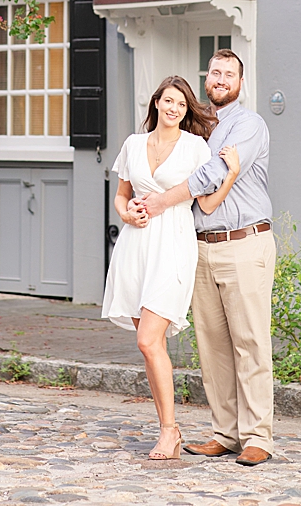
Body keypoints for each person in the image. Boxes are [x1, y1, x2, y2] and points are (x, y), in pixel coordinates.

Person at [134, 49, 276, 466]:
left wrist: (160, 202)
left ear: (240, 82)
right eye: (215, 72)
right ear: (206, 78)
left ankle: (258, 437)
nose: (220, 79)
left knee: (250, 342)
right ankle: (226, 433)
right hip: (198, 245)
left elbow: (210, 175)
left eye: (229, 74)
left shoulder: (247, 124)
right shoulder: (196, 130)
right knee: (212, 346)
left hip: (243, 243)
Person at [102, 75, 243, 461]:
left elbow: (209, 204)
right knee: (151, 348)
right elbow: (121, 196)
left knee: (148, 339)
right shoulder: (133, 144)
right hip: (135, 246)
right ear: (157, 103)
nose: (174, 109)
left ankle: (169, 431)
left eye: (181, 104)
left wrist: (230, 172)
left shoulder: (196, 147)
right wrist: (127, 215)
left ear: (186, 110)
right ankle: (170, 428)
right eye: (168, 101)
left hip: (174, 244)